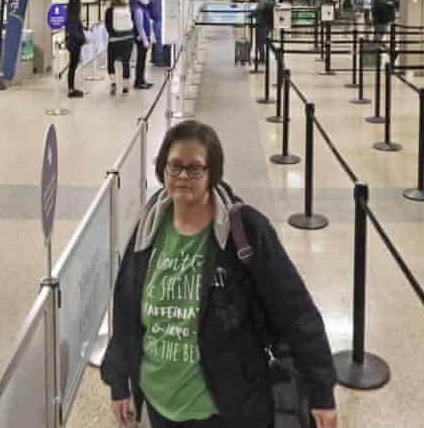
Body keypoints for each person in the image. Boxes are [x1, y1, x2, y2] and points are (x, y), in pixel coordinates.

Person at [102, 120, 339, 428]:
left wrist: (321, 391)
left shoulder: (247, 230)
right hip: (159, 402)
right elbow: (125, 306)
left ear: (212, 173)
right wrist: (119, 381)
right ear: (163, 169)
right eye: (175, 166)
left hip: (225, 408)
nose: (184, 176)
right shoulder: (150, 227)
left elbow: (296, 311)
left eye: (195, 168)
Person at [106, 0, 135, 95]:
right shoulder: (129, 9)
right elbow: (133, 24)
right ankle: (125, 87)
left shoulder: (109, 11)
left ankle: (113, 83)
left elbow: (108, 27)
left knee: (110, 62)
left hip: (114, 41)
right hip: (128, 39)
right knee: (126, 62)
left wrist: (114, 33)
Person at [132, 0, 155, 90]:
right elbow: (139, 26)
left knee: (143, 60)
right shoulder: (138, 9)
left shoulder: (144, 8)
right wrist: (145, 40)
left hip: (146, 37)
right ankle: (138, 81)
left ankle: (142, 79)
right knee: (140, 61)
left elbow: (148, 23)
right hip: (141, 39)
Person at [64, 0, 87, 98]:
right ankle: (71, 89)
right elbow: (73, 33)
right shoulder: (72, 17)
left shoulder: (72, 16)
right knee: (72, 67)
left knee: (73, 66)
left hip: (75, 44)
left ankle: (71, 87)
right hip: (74, 44)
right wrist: (83, 39)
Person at [253, 0, 275, 67]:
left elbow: (259, 10)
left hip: (263, 24)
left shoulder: (264, 0)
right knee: (260, 41)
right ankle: (262, 57)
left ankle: (262, 59)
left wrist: (252, 14)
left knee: (261, 41)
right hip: (265, 23)